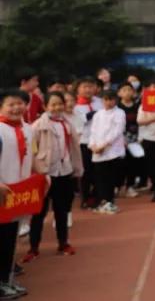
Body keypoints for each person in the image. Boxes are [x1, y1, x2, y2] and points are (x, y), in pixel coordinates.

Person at [25, 91, 81, 261]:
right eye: (53, 104)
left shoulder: (67, 124)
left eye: (60, 104)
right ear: (45, 106)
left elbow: (74, 148)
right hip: (45, 174)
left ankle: (63, 243)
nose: (57, 108)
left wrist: (77, 169)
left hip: (64, 172)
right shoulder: (37, 126)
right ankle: (33, 248)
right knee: (38, 213)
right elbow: (31, 150)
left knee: (61, 210)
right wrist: (35, 170)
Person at [0, 90, 32, 299]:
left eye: (19, 104)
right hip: (2, 192)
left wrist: (42, 174)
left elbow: (32, 154)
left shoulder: (28, 129)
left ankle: (6, 280)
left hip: (17, 194)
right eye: (11, 104)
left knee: (10, 238)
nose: (16, 108)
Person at [87, 89, 126, 214]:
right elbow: (93, 131)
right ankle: (101, 201)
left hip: (112, 151)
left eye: (111, 99)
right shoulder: (98, 114)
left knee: (110, 178)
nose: (108, 102)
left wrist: (104, 145)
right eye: (106, 99)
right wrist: (92, 145)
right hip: (97, 150)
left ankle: (109, 201)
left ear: (116, 100)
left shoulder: (119, 113)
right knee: (100, 178)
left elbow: (117, 131)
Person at [72, 77, 102, 209]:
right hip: (83, 142)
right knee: (85, 172)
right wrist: (88, 116)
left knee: (98, 171)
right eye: (85, 87)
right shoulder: (74, 105)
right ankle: (86, 197)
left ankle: (97, 196)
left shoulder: (100, 102)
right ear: (78, 89)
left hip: (98, 141)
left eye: (91, 86)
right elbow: (74, 122)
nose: (88, 89)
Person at [117, 82, 142, 197]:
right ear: (119, 93)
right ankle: (117, 186)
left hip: (135, 140)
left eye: (129, 90)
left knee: (133, 164)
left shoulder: (138, 106)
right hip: (119, 141)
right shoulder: (116, 107)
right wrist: (122, 139)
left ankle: (130, 187)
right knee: (120, 164)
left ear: (133, 92)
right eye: (124, 90)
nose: (127, 92)